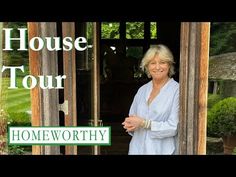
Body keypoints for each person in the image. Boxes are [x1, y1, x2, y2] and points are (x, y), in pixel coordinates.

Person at [122, 44, 179, 155]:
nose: (157, 67)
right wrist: (130, 124)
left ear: (169, 65)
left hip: (162, 151)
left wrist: (145, 123)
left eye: (162, 62)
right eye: (153, 63)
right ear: (147, 67)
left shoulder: (177, 90)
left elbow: (174, 127)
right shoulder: (142, 90)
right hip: (137, 149)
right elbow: (132, 117)